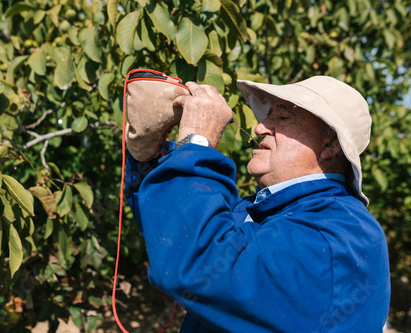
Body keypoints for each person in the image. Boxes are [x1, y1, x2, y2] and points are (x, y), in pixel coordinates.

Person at [125, 75, 390, 332]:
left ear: (330, 143)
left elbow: (196, 264)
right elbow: (176, 231)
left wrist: (196, 144)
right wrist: (148, 156)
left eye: (283, 117)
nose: (259, 127)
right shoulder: (270, 212)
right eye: (268, 115)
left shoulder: (340, 234)